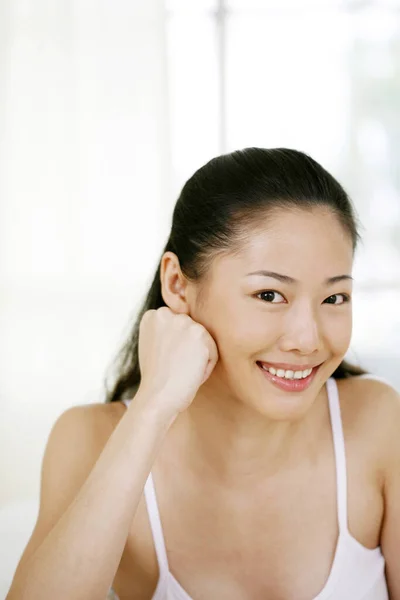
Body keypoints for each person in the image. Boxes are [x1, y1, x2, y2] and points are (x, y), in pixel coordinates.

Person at [7, 148, 400, 600]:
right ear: (177, 285)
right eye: (270, 294)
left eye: (334, 299)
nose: (308, 339)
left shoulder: (377, 421)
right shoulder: (89, 440)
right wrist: (152, 408)